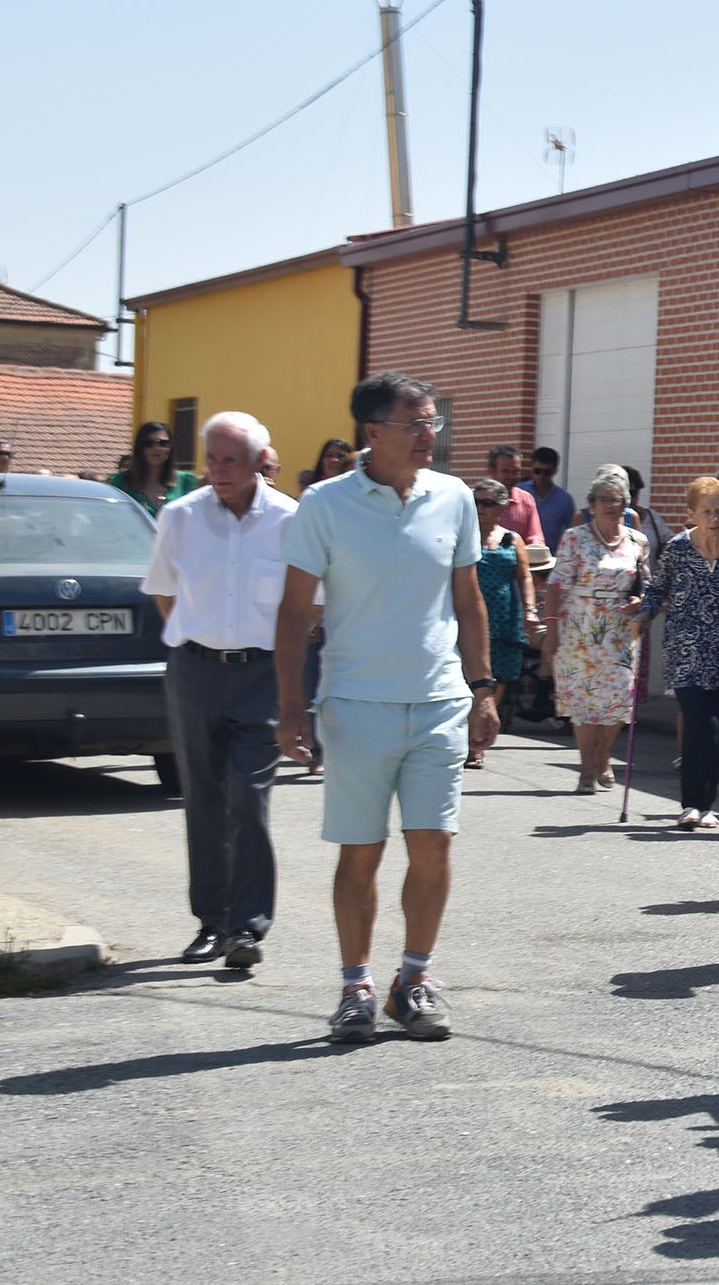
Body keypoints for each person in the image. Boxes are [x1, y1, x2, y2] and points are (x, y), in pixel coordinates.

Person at [274, 372, 498, 1042]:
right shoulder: (323, 504)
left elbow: (469, 601)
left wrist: (482, 691)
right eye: (417, 424)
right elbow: (291, 612)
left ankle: (413, 981)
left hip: (437, 703)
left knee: (433, 848)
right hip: (355, 704)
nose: (432, 434)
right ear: (374, 433)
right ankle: (355, 987)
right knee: (361, 855)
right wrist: (290, 707)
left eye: (434, 422)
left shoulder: (453, 497)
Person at [142, 411, 294, 971]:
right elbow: (164, 593)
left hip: (261, 676)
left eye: (231, 459)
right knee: (204, 799)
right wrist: (200, 639)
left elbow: (309, 605)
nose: (220, 469)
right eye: (212, 458)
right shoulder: (180, 517)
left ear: (259, 462)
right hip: (196, 671)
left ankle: (248, 927)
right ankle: (211, 920)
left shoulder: (288, 520)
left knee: (248, 799)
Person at [642, 477, 719, 830]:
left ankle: (707, 804)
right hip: (687, 654)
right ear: (691, 513)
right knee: (700, 726)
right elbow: (657, 586)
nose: (714, 517)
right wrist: (643, 615)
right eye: (706, 511)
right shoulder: (678, 548)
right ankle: (691, 802)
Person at [542, 468, 649, 793]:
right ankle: (587, 767)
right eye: (603, 500)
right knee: (583, 700)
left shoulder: (637, 540)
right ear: (591, 504)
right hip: (579, 628)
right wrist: (552, 631)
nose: (610, 505)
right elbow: (556, 586)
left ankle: (604, 755)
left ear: (626, 504)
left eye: (617, 500)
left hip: (619, 629)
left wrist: (640, 600)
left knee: (617, 697)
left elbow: (646, 584)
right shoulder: (574, 538)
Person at [467, 478, 539, 766]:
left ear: (501, 507)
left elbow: (524, 577)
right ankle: (468, 737)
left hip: (504, 617)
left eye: (487, 503)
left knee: (498, 678)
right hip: (469, 618)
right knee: (467, 677)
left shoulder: (512, 539)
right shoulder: (462, 536)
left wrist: (530, 610)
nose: (480, 508)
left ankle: (477, 740)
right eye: (476, 502)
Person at [112, 419, 198, 515]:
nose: (156, 448)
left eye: (163, 443)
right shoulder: (119, 482)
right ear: (140, 448)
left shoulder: (186, 481)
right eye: (149, 443)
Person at [484, 446, 545, 547]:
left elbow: (535, 538)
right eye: (506, 471)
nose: (511, 476)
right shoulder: (476, 500)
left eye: (516, 471)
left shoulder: (526, 500)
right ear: (492, 471)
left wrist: (536, 550)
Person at [521, 446, 576, 556]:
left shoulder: (565, 500)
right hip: (520, 557)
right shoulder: (520, 492)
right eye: (537, 471)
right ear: (531, 468)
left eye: (547, 472)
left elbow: (571, 534)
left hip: (551, 560)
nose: (541, 476)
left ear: (555, 470)